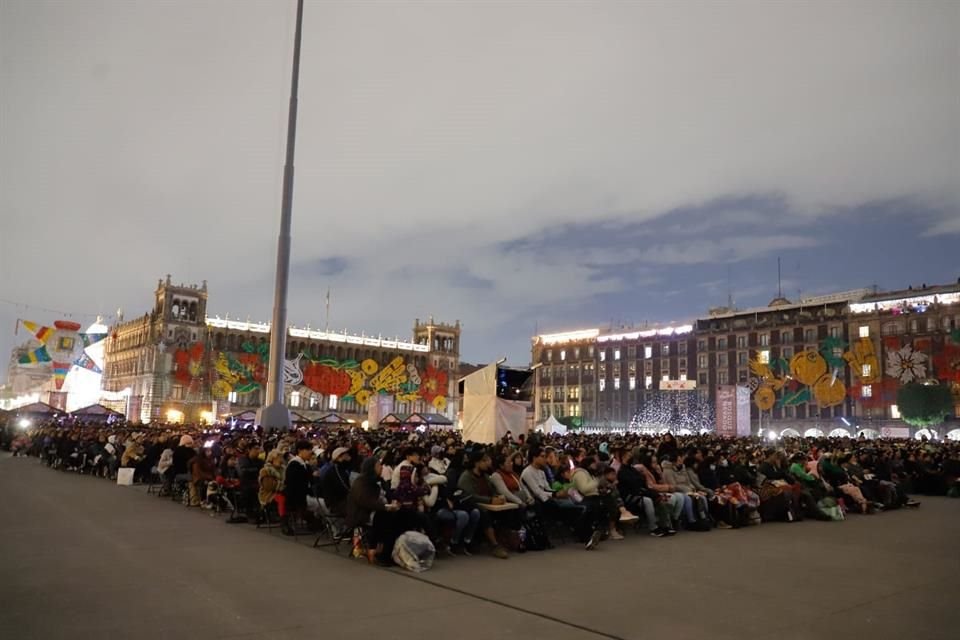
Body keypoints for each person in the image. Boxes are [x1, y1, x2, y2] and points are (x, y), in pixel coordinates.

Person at [347, 456, 401, 565]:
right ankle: (381, 553)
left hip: (376, 511)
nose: (381, 468)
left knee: (403, 515)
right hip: (362, 513)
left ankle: (389, 551)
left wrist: (394, 501)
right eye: (378, 466)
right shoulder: (361, 482)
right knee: (386, 517)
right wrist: (386, 506)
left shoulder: (378, 480)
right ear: (371, 468)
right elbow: (366, 501)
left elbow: (387, 494)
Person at [457, 450, 510, 559]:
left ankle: (506, 539)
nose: (488, 463)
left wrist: (498, 497)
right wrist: (490, 500)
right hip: (471, 505)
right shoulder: (466, 477)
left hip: (488, 503)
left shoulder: (485, 476)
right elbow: (470, 496)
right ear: (477, 463)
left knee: (508, 511)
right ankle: (494, 545)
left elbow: (492, 490)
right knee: (484, 513)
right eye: (484, 461)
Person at [282, 440, 318, 535]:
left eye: (310, 449)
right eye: (307, 450)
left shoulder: (305, 464)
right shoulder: (294, 464)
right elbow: (294, 484)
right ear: (300, 450)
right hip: (296, 497)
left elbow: (311, 480)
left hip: (304, 494)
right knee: (321, 505)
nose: (310, 452)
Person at [320, 447, 353, 517]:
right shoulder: (335, 470)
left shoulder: (342, 469)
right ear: (339, 458)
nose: (349, 456)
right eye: (346, 455)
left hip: (343, 500)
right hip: (337, 504)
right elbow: (344, 487)